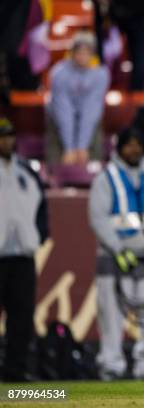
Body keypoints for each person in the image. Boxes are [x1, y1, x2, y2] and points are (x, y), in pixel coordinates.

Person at [89, 128, 144, 380]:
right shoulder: (106, 178)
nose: (134, 149)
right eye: (129, 145)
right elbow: (98, 217)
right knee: (112, 316)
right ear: (119, 148)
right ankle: (111, 366)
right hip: (114, 258)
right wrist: (117, 248)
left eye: (138, 144)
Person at [0, 117, 48, 382]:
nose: (6, 141)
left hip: (22, 257)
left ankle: (15, 371)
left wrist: (39, 234)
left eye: (9, 136)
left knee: (21, 317)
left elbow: (41, 208)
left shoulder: (25, 172)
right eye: (2, 137)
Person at [46, 31, 110, 165]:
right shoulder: (59, 73)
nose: (82, 56)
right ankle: (53, 172)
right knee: (59, 147)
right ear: (72, 53)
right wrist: (69, 148)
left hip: (87, 117)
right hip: (59, 117)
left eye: (86, 52)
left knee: (94, 127)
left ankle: (94, 172)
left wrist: (82, 147)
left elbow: (91, 109)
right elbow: (63, 110)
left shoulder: (101, 74)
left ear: (92, 54)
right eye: (79, 52)